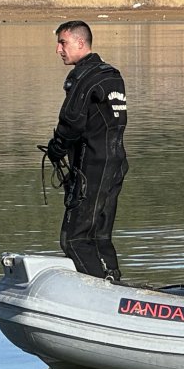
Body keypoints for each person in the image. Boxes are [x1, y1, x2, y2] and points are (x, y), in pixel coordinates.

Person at [42, 20, 129, 282]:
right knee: (100, 235)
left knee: (75, 238)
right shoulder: (112, 75)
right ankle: (112, 279)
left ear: (81, 43)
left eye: (63, 43)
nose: (58, 49)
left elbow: (71, 122)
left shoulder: (84, 77)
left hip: (91, 167)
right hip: (115, 164)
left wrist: (56, 148)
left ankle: (101, 294)